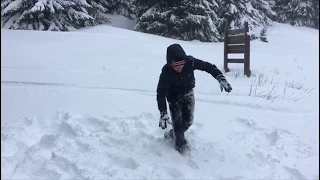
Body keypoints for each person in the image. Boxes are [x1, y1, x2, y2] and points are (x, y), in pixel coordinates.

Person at [156, 43, 232, 153]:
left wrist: (220, 77)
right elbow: (160, 92)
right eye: (176, 65)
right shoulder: (166, 71)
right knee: (177, 124)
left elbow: (208, 66)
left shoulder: (190, 62)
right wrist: (163, 111)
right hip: (173, 97)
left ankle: (172, 134)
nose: (179, 67)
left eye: (181, 64)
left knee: (188, 121)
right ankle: (180, 149)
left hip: (188, 94)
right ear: (170, 63)